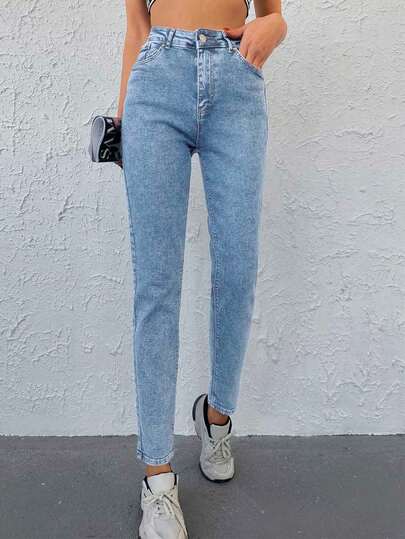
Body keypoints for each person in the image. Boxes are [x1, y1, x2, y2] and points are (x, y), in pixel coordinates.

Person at [116, 0, 287, 536]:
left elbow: (273, 13)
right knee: (156, 285)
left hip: (235, 81)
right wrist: (121, 126)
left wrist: (275, 27)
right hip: (156, 83)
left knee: (238, 269)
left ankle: (216, 417)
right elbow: (137, 27)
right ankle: (157, 476)